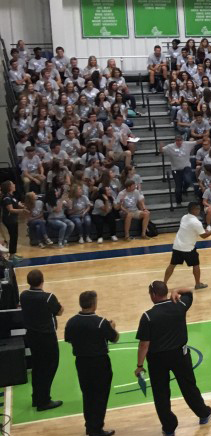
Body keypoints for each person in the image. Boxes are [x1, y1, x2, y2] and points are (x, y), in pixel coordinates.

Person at [135, 281, 211, 434]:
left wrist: (139, 365)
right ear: (166, 292)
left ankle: (169, 427)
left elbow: (144, 344)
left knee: (161, 394)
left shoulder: (147, 316)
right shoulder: (180, 305)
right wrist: (176, 290)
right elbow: (189, 291)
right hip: (180, 356)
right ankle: (203, 413)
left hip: (157, 360)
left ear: (153, 295)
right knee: (189, 387)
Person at [63, 290, 119, 436]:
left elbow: (68, 339)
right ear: (94, 304)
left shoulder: (71, 322)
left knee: (87, 394)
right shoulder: (101, 322)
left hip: (81, 362)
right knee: (100, 395)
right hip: (99, 363)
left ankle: (90, 426)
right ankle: (96, 429)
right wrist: (112, 327)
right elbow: (114, 338)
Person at [20, 269, 63, 411]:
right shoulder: (48, 297)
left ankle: (36, 397)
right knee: (50, 367)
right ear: (42, 281)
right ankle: (44, 401)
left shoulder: (24, 295)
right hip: (47, 337)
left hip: (31, 336)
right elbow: (59, 311)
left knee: (38, 367)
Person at [165, 202, 211, 290]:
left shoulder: (184, 217)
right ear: (193, 210)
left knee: (172, 265)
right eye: (198, 209)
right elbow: (203, 236)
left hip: (177, 246)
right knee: (196, 264)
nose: (199, 211)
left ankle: (164, 283)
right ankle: (198, 284)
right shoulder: (196, 222)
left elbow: (191, 230)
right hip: (188, 248)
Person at [1, 180, 20, 256]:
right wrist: (23, 211)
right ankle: (12, 255)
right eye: (12, 184)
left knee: (14, 236)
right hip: (9, 220)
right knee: (13, 236)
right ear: (9, 187)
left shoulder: (12, 196)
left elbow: (18, 204)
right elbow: (11, 210)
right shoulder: (6, 198)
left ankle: (13, 253)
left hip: (13, 219)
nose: (14, 185)